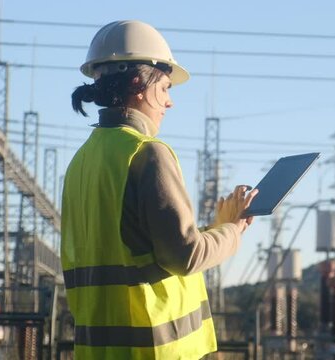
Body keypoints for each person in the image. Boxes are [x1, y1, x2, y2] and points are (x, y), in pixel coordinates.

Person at [61, 20, 257, 359]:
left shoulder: (81, 161)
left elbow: (137, 248)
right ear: (140, 85)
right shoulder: (146, 152)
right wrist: (233, 230)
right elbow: (186, 256)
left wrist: (213, 228)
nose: (169, 103)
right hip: (151, 351)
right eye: (165, 88)